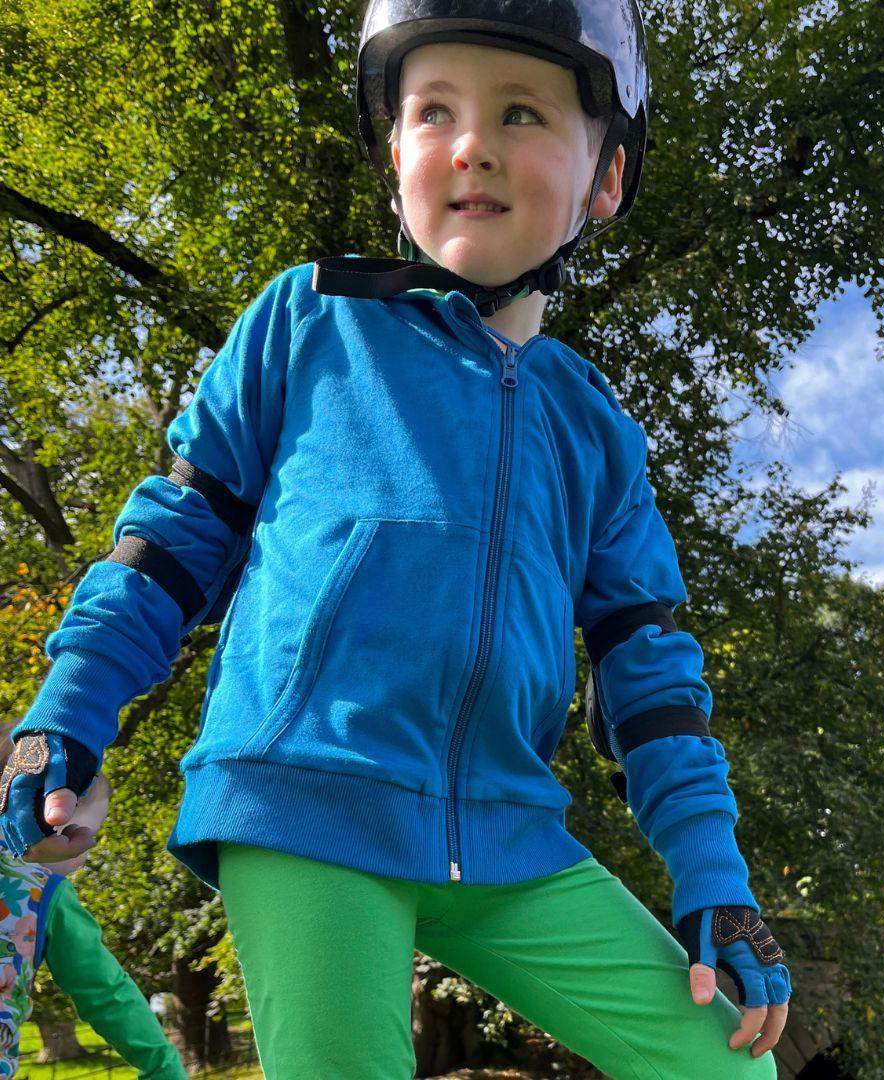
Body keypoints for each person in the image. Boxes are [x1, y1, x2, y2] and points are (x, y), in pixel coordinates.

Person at [0, 1, 792, 1075]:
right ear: (393, 161)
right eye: (434, 112)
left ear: (606, 177)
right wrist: (65, 713)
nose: (471, 145)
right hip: (306, 798)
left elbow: (651, 673)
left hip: (509, 832)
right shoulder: (307, 321)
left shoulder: (598, 429)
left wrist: (713, 872)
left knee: (725, 1063)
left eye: (521, 113)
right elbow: (169, 544)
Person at [0, 731, 187, 1079]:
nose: (83, 859)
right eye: (83, 836)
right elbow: (107, 994)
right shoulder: (42, 892)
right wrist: (163, 1067)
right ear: (48, 821)